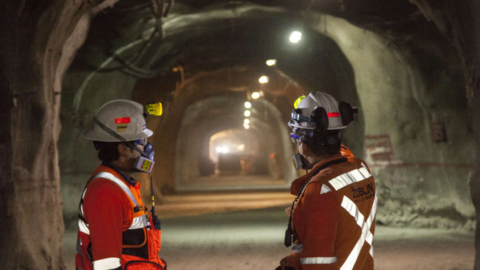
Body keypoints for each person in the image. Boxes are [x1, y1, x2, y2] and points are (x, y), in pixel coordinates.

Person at [278, 92, 376, 270]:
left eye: (296, 140)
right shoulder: (360, 170)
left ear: (304, 144)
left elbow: (317, 262)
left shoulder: (320, 188)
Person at [75, 99, 167, 270]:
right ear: (123, 149)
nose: (147, 148)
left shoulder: (122, 185)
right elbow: (106, 264)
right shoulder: (105, 193)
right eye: (141, 141)